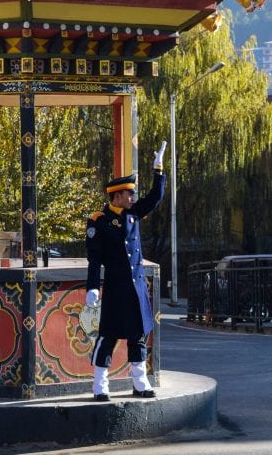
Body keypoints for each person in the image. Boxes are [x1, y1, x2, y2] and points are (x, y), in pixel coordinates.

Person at [85, 143, 166, 401]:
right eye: (129, 195)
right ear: (117, 196)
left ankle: (140, 383)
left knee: (137, 336)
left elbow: (155, 197)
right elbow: (95, 258)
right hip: (116, 289)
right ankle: (100, 385)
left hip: (136, 288)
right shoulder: (99, 221)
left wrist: (158, 170)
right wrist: (92, 287)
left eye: (132, 195)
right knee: (108, 336)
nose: (132, 199)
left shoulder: (133, 215)